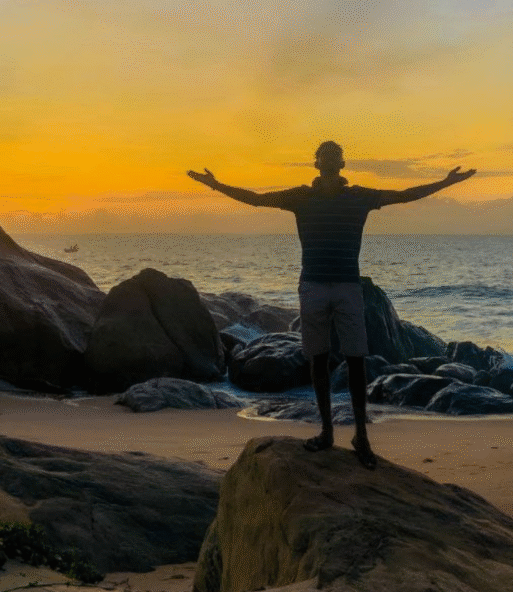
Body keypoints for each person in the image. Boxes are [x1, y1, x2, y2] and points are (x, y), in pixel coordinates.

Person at [187, 142, 476, 468]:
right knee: (318, 359)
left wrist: (445, 182)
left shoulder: (360, 197)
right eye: (323, 155)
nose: (328, 160)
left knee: (355, 361)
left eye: (333, 155)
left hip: (347, 287)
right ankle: (325, 431)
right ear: (317, 163)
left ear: (341, 163)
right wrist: (216, 185)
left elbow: (405, 194)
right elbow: (256, 199)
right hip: (312, 285)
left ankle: (361, 437)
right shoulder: (300, 197)